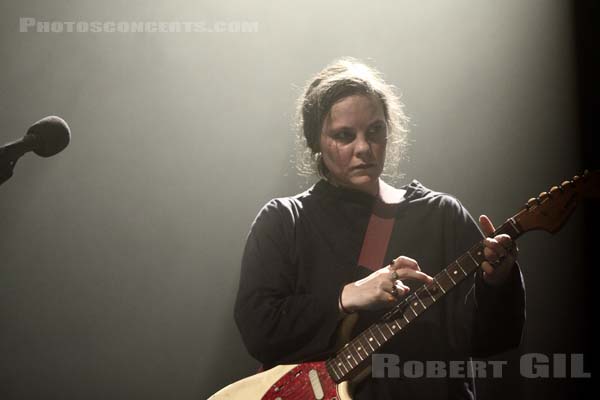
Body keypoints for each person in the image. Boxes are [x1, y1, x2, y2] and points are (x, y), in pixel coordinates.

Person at [234, 58, 525, 399]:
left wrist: (498, 281)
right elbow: (259, 329)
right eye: (344, 135)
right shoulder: (284, 221)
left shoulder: (441, 215)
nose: (363, 148)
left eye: (374, 131)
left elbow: (491, 340)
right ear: (316, 142)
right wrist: (347, 296)